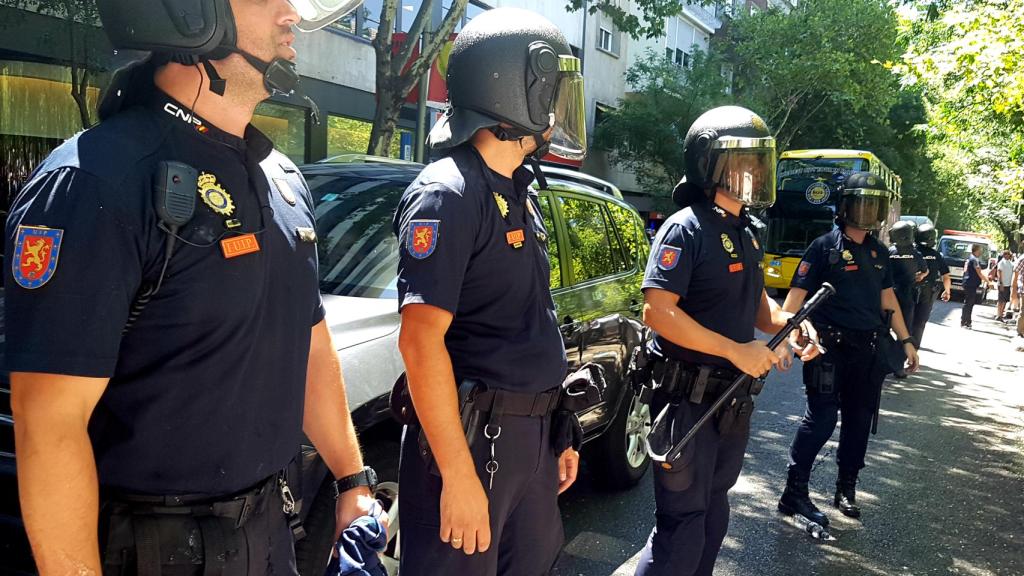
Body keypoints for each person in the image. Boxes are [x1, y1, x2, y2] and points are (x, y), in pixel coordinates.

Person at [6, 1, 381, 574]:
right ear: (186, 10)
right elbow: (48, 427)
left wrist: (352, 478)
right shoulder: (95, 181)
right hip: (149, 550)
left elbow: (307, 343)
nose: (291, 15)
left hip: (272, 532)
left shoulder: (280, 178)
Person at [391, 7, 590, 576]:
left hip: (529, 442)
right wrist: (458, 476)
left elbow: (532, 325)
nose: (558, 110)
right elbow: (421, 342)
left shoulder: (521, 189)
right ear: (512, 88)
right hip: (474, 442)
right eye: (553, 91)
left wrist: (560, 432)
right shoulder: (447, 194)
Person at [634, 106, 821, 576]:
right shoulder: (686, 227)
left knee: (714, 518)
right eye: (744, 161)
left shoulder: (747, 233)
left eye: (759, 162)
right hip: (685, 403)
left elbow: (759, 307)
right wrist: (738, 351)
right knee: (681, 529)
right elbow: (657, 312)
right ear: (710, 164)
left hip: (731, 403)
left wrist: (791, 324)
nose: (754, 172)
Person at [777, 171, 920, 526]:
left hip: (867, 352)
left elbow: (889, 299)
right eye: (861, 204)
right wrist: (785, 338)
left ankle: (846, 489)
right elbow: (794, 300)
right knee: (822, 419)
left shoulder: (879, 252)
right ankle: (794, 492)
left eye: (874, 206)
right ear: (845, 206)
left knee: (858, 422)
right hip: (828, 349)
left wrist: (906, 341)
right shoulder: (823, 246)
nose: (867, 212)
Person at [887, 221, 928, 377]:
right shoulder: (916, 253)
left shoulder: (890, 252)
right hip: (907, 296)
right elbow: (925, 271)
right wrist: (917, 277)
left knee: (882, 328)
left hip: (889, 295)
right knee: (904, 332)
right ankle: (898, 367)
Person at [912, 223, 951, 347]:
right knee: (920, 322)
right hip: (927, 293)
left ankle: (902, 346)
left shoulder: (911, 251)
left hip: (908, 290)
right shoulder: (936, 255)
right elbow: (946, 275)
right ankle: (914, 348)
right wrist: (947, 291)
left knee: (906, 319)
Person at [961, 244, 990, 328]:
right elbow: (979, 273)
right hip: (971, 283)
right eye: (980, 250)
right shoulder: (974, 260)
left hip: (968, 282)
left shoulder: (970, 258)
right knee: (969, 303)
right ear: (976, 250)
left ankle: (965, 320)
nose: (981, 251)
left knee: (968, 302)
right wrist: (988, 282)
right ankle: (966, 321)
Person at [996, 249, 1015, 322]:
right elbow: (999, 272)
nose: (1007, 255)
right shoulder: (1001, 262)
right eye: (1006, 254)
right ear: (1004, 255)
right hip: (1002, 284)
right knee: (1001, 300)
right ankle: (999, 315)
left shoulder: (1010, 263)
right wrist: (1001, 283)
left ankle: (1001, 314)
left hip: (1008, 284)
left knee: (1005, 300)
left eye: (1008, 254)